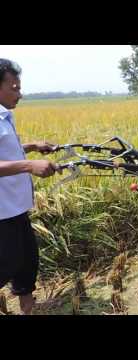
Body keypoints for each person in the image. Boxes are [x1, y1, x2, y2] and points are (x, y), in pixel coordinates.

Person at [0, 59, 58, 315]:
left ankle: (28, 311)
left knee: (27, 262)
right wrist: (29, 165)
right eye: (14, 87)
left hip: (16, 207)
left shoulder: (4, 116)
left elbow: (7, 151)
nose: (19, 94)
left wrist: (32, 146)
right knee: (7, 264)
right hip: (2, 213)